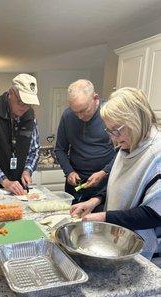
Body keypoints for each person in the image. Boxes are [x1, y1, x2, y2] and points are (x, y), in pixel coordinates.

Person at [70, 87, 161, 260]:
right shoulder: (130, 143)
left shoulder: (156, 155)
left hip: (143, 251)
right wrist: (95, 200)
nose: (113, 138)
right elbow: (119, 183)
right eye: (109, 131)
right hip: (119, 242)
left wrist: (104, 217)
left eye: (116, 130)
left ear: (135, 121)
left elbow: (154, 215)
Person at [54, 79, 116, 207]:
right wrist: (69, 172)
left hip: (103, 185)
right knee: (73, 222)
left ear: (95, 98)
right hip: (75, 185)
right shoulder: (67, 116)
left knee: (97, 224)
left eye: (83, 110)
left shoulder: (110, 113)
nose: (80, 116)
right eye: (75, 111)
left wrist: (104, 172)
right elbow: (60, 149)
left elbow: (123, 151)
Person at [0, 73, 40, 195]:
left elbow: (35, 150)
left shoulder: (30, 114)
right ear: (11, 93)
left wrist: (27, 171)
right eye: (21, 102)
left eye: (29, 104)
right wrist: (5, 181)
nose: (25, 107)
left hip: (18, 185)